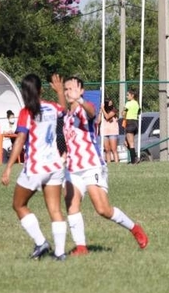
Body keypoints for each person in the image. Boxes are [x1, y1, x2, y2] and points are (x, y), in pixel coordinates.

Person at [52, 75, 148, 256]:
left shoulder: (84, 109)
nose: (68, 92)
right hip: (73, 169)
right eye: (66, 89)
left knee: (103, 209)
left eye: (72, 88)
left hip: (92, 166)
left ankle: (135, 228)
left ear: (81, 91)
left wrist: (79, 100)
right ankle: (81, 247)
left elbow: (91, 113)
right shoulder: (66, 117)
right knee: (71, 205)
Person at [0, 73, 68, 261]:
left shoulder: (26, 112)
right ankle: (60, 253)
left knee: (19, 205)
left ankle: (41, 242)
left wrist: (8, 167)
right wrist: (60, 91)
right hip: (55, 166)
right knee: (55, 210)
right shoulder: (51, 107)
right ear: (41, 90)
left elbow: (20, 140)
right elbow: (64, 108)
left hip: (36, 168)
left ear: (23, 92)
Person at [122, 89, 140, 164]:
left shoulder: (128, 103)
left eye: (127, 95)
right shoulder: (137, 104)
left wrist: (123, 113)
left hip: (130, 123)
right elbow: (139, 112)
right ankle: (135, 156)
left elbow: (123, 113)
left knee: (131, 143)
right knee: (126, 143)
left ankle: (133, 160)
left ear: (132, 95)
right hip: (135, 123)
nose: (127, 97)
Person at [101, 98, 120, 163]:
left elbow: (107, 117)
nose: (111, 105)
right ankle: (108, 163)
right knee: (107, 150)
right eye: (109, 103)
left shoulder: (114, 110)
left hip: (113, 132)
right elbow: (98, 121)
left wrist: (103, 109)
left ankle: (117, 163)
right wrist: (101, 112)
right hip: (105, 132)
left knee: (113, 149)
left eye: (111, 103)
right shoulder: (103, 111)